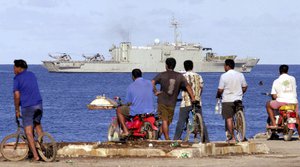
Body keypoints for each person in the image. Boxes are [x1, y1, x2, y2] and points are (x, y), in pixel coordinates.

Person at [152, 57, 195, 140]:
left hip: (162, 101)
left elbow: (152, 82)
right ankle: (166, 137)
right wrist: (192, 98)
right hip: (172, 102)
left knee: (164, 120)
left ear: (166, 65)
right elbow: (188, 86)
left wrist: (155, 91)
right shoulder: (179, 76)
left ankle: (166, 138)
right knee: (167, 121)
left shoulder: (162, 74)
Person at [13, 59, 43, 161]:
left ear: (18, 68)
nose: (13, 69)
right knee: (37, 125)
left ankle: (36, 156)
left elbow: (17, 95)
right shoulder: (32, 74)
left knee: (28, 131)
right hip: (39, 104)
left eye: (14, 67)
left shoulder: (17, 78)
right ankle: (43, 149)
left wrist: (17, 110)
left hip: (28, 106)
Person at [173, 60, 209, 142]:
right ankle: (206, 140)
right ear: (192, 67)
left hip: (186, 102)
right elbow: (201, 88)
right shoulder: (199, 76)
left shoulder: (182, 77)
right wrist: (198, 96)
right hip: (197, 101)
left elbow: (178, 88)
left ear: (184, 67)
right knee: (201, 121)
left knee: (181, 121)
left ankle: (176, 139)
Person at [216, 59, 248, 143]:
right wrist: (241, 93)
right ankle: (243, 135)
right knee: (240, 117)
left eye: (224, 66)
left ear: (227, 66)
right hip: (238, 99)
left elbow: (220, 90)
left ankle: (233, 137)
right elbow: (245, 87)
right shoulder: (240, 75)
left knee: (229, 118)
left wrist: (218, 96)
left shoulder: (224, 76)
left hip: (227, 100)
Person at [116, 69, 154, 137]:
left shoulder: (131, 86)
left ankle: (125, 131)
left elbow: (128, 102)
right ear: (141, 74)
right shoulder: (149, 83)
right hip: (150, 110)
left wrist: (123, 104)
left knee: (119, 110)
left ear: (133, 76)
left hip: (137, 111)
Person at [265, 65, 300, 137]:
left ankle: (274, 123)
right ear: (287, 71)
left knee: (268, 104)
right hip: (294, 102)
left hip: (281, 102)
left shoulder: (276, 81)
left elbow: (274, 95)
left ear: (279, 71)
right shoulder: (293, 79)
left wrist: (275, 97)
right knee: (297, 118)